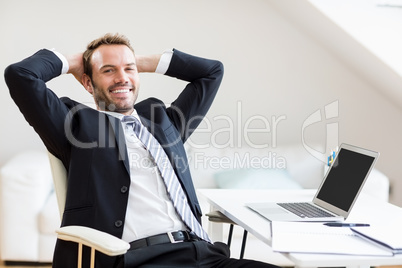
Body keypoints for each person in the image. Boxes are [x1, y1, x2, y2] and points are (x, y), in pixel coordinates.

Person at [5, 33, 281, 268]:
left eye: (129, 69)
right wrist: (76, 62)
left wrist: (141, 63)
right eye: (108, 70)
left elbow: (211, 72)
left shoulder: (164, 121)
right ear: (88, 83)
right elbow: (20, 75)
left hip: (205, 255)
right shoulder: (75, 125)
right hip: (140, 259)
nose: (121, 78)